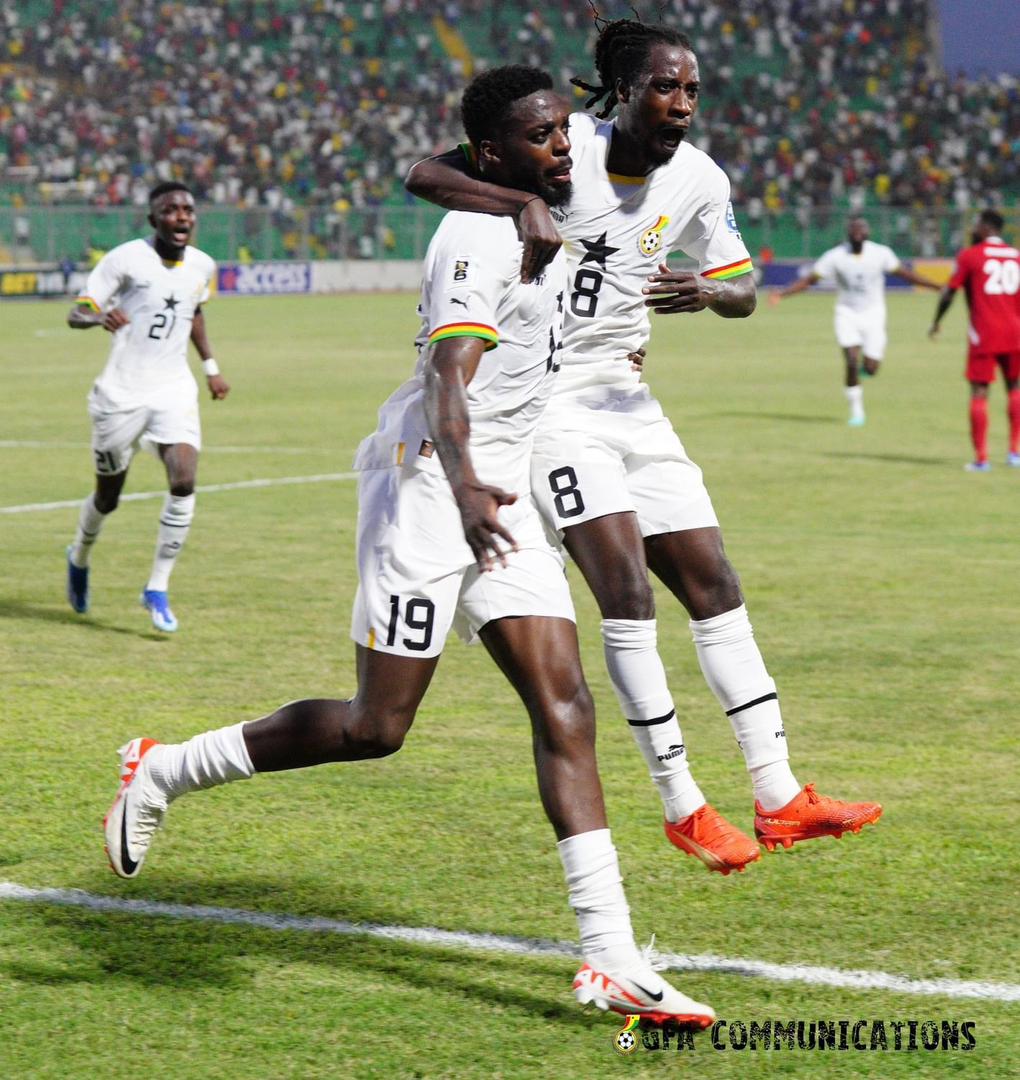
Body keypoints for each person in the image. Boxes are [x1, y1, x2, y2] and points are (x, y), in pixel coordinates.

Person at [103, 66, 716, 1028]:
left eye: (566, 130)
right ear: (495, 155)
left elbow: (437, 168)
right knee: (376, 727)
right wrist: (470, 489)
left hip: (498, 482)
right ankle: (166, 768)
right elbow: (449, 373)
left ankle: (610, 957)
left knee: (565, 704)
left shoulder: (552, 194)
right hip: (434, 480)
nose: (565, 147)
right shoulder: (478, 234)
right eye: (543, 137)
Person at [406, 17, 882, 874]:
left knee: (715, 582)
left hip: (633, 401)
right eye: (666, 87)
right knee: (627, 593)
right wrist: (518, 201)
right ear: (623, 92)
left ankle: (777, 793)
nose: (684, 105)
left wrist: (709, 290)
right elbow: (423, 171)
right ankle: (683, 803)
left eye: (693, 90)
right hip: (554, 406)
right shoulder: (560, 148)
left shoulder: (700, 180)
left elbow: (741, 288)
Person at [65, 182, 229, 632]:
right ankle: (79, 555)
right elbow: (77, 311)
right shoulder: (123, 259)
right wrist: (99, 316)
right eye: (170, 210)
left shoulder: (202, 265)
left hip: (173, 390)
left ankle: (157, 585)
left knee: (184, 480)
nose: (181, 217)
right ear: (153, 218)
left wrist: (211, 367)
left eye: (188, 210)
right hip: (120, 395)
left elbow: (194, 312)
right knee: (108, 496)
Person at [770, 217, 940, 426]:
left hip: (874, 314)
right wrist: (783, 294)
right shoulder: (835, 257)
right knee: (850, 359)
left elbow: (907, 275)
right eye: (854, 230)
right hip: (846, 313)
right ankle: (856, 410)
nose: (858, 233)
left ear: (868, 233)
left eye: (862, 230)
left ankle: (863, 371)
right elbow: (809, 281)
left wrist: (937, 286)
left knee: (871, 368)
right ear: (848, 234)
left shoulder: (880, 253)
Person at [929, 209, 1020, 471]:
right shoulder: (1016, 255)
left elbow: (949, 293)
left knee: (980, 391)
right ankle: (1014, 453)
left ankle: (982, 459)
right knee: (1014, 387)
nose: (973, 229)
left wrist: (936, 321)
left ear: (987, 227)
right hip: (1015, 332)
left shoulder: (971, 255)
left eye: (977, 224)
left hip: (985, 333)